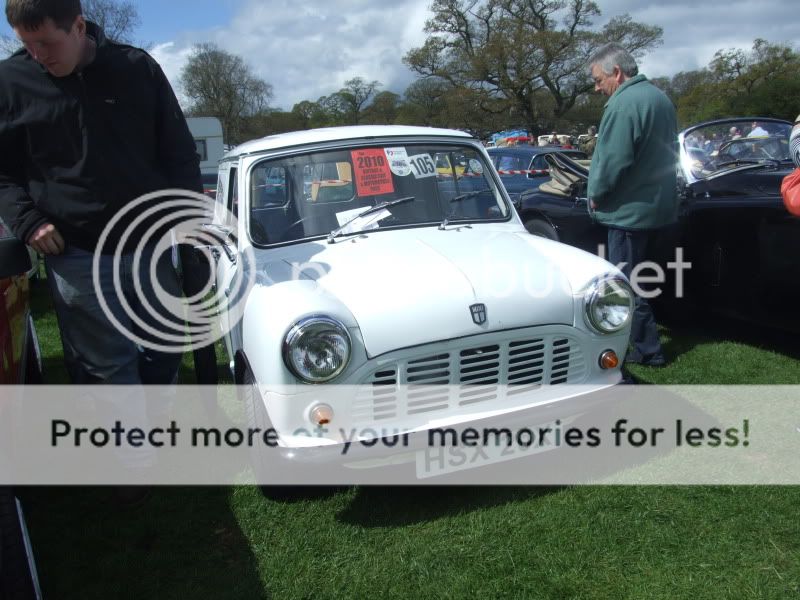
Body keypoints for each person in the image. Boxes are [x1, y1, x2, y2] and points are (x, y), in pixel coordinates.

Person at [586, 42, 678, 368]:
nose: (597, 88)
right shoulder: (660, 98)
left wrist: (595, 193)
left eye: (599, 80)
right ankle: (646, 342)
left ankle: (647, 351)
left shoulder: (623, 105)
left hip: (629, 213)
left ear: (618, 73)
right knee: (645, 281)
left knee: (625, 287)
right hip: (660, 207)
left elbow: (612, 161)